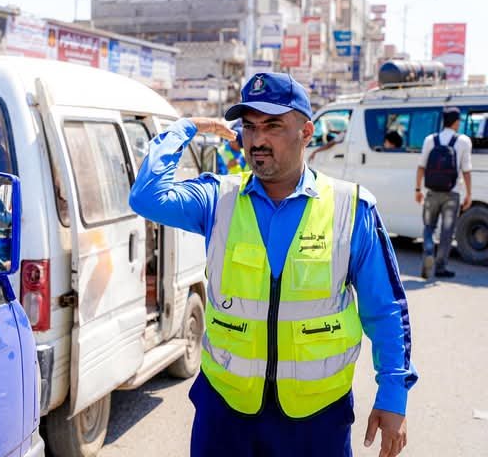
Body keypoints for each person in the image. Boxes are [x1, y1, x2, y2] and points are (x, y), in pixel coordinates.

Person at [129, 72, 417, 457]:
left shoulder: (351, 208)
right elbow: (146, 196)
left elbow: (386, 310)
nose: (257, 139)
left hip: (317, 418)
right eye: (249, 126)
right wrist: (186, 128)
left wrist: (393, 395)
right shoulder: (217, 199)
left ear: (306, 132)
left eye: (273, 126)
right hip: (226, 412)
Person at [415, 107, 473, 279]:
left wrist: (418, 189)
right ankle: (440, 267)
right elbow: (466, 170)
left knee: (428, 227)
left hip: (432, 192)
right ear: (456, 122)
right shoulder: (463, 141)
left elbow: (421, 166)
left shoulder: (430, 140)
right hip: (452, 194)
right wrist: (469, 194)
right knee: (447, 232)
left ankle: (428, 251)